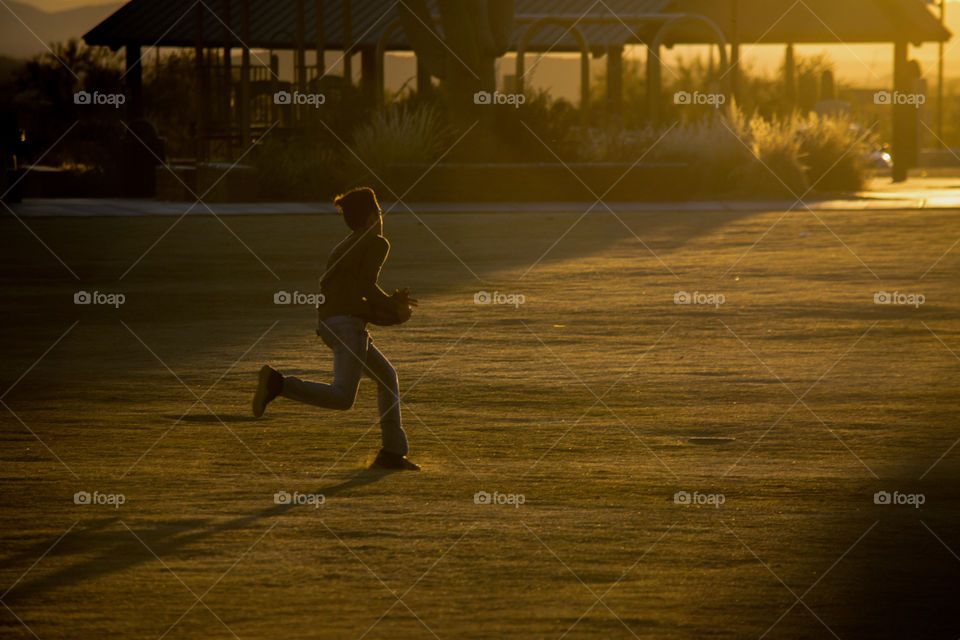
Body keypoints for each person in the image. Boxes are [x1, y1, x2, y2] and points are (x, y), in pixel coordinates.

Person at [253, 187, 420, 471]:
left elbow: (350, 290)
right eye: (380, 213)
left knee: (386, 377)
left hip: (330, 323)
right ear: (371, 219)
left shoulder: (344, 245)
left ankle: (393, 451)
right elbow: (366, 286)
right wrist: (393, 307)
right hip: (346, 325)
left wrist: (389, 302)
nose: (381, 218)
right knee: (342, 397)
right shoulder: (377, 242)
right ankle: (279, 384)